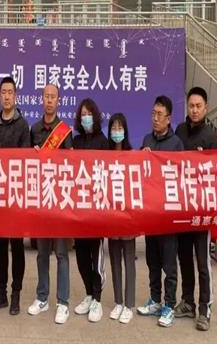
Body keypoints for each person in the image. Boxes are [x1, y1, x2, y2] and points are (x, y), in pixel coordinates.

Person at [28, 84, 73, 324]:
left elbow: (71, 163)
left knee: (62, 254)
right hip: (41, 199)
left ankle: (63, 302)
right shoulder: (34, 129)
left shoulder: (64, 131)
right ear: (42, 100)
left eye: (53, 96)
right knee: (42, 253)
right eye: (46, 96)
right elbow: (26, 164)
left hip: (60, 199)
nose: (49, 100)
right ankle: (42, 297)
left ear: (58, 101)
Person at [175, 87, 217, 331]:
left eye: (198, 106)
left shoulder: (212, 136)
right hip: (182, 207)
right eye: (191, 106)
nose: (194, 110)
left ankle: (205, 308)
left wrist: (204, 161)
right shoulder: (180, 131)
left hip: (202, 210)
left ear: (206, 108)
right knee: (184, 257)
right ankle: (188, 302)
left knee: (203, 261)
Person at [137, 95, 184, 327]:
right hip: (150, 212)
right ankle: (155, 299)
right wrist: (142, 156)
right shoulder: (147, 139)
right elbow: (138, 172)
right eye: (153, 114)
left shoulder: (176, 144)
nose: (155, 118)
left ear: (169, 118)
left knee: (169, 264)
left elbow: (181, 175)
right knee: (152, 261)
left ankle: (169, 305)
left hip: (168, 214)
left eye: (159, 115)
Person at [0, 77, 31, 315]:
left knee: (17, 245)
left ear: (15, 96)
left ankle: (16, 293)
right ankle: (1, 292)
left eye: (10, 92)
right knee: (1, 247)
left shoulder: (23, 125)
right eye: (3, 92)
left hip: (16, 194)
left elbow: (24, 160)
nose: (6, 96)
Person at [71, 98, 108, 323]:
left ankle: (97, 298)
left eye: (89, 114)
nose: (86, 118)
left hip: (96, 210)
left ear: (95, 116)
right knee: (81, 256)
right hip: (79, 209)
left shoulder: (103, 142)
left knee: (96, 257)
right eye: (83, 114)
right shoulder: (75, 141)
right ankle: (88, 293)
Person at [106, 113, 136, 324]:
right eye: (113, 128)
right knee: (115, 259)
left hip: (128, 216)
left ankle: (129, 304)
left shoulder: (132, 155)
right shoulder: (104, 156)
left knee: (129, 260)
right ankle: (118, 301)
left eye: (120, 127)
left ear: (125, 130)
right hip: (111, 216)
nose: (117, 131)